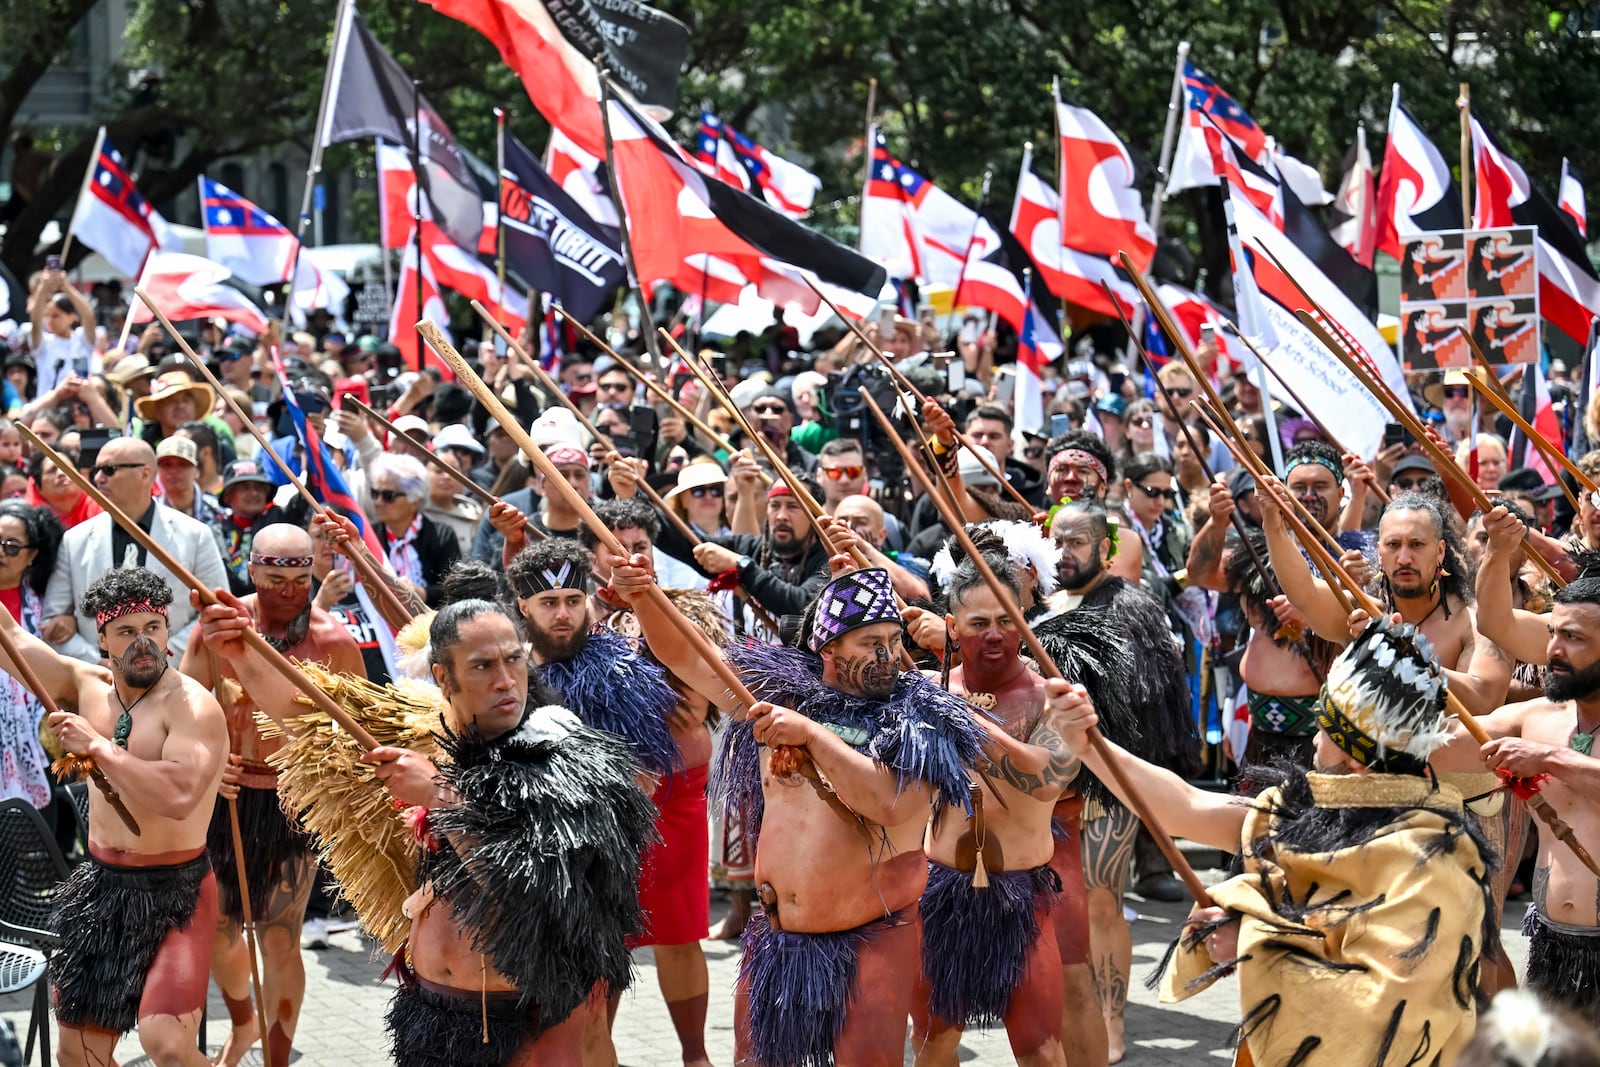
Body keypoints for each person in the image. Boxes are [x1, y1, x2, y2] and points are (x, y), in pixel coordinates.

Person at [197, 595, 655, 1066]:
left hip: (535, 1024)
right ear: (443, 678)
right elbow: (311, 720)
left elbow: (533, 893)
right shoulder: (427, 736)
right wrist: (240, 651)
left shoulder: (564, 758)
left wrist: (440, 795)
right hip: (434, 1013)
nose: (505, 681)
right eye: (482, 666)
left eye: (514, 659)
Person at [1055, 616, 1493, 1066]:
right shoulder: (1303, 811)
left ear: (1350, 750)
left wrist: (1251, 945)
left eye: (1324, 726)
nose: (1314, 737)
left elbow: (1382, 1013)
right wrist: (1090, 746)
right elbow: (1186, 806)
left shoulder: (1434, 858)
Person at [607, 561, 978, 1067]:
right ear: (828, 648)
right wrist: (644, 597)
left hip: (874, 938)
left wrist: (812, 736)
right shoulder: (778, 696)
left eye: (895, 641)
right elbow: (691, 660)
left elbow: (891, 804)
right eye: (871, 643)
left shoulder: (923, 718)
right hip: (778, 939)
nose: (890, 656)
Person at [0, 567, 228, 1067]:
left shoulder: (192, 706)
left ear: (168, 631)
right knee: (76, 1055)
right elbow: (10, 637)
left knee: (165, 1044)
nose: (143, 642)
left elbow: (180, 794)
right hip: (102, 887)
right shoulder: (85, 684)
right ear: (102, 639)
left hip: (178, 891)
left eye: (153, 628)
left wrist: (100, 747)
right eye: (127, 632)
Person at [180, 525, 366, 1067]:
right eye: (275, 579)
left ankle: (277, 1061)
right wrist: (211, 767)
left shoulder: (333, 641)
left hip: (292, 804)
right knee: (215, 929)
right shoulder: (217, 626)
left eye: (300, 578)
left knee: (279, 938)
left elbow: (352, 734)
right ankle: (244, 1024)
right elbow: (186, 708)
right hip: (225, 800)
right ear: (252, 572)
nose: (288, 591)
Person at [1039, 500, 1199, 1061]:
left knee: (1103, 901)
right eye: (1058, 540)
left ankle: (1112, 1022)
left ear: (1103, 547)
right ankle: (1066, 1011)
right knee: (1057, 902)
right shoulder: (1043, 603)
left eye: (1077, 542)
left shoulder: (1132, 607)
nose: (1065, 552)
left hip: (1107, 779)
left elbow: (1154, 705)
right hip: (1048, 783)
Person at [910, 557, 1079, 1067]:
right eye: (979, 622)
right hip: (940, 891)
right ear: (953, 628)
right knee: (933, 1041)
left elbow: (1047, 781)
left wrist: (969, 721)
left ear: (1026, 620)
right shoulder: (926, 691)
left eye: (1007, 620)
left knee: (1041, 1050)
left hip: (1022, 897)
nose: (995, 634)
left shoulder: (1054, 700)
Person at [1435, 571, 1600, 1028]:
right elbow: (1439, 748)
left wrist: (1549, 758)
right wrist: (1400, 679)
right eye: (1552, 634)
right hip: (1551, 949)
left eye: (1573, 637)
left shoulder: (1539, 741)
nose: (1554, 651)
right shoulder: (1533, 717)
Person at [40, 437, 230, 664]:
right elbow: (52, 622)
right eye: (96, 470)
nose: (98, 479)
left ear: (145, 473)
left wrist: (158, 659)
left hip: (176, 679)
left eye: (109, 470)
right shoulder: (75, 540)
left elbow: (216, 613)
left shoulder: (195, 535)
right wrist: (100, 664)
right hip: (100, 682)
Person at [0, 500, 61, 810]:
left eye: (11, 546)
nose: (1, 552)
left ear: (32, 555)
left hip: (38, 740)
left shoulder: (46, 608)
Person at [369, 453, 461, 607]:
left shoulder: (442, 535)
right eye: (375, 493)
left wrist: (421, 593)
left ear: (415, 500)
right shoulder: (369, 536)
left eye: (388, 496)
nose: (378, 502)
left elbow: (454, 587)